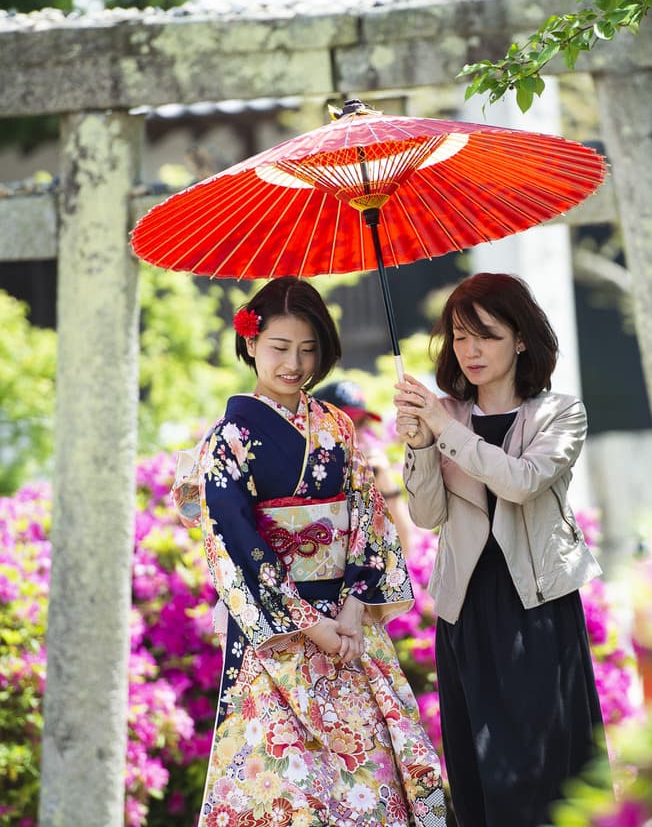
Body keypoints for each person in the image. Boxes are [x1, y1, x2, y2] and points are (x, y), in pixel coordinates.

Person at [188, 276, 446, 827]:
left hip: (348, 626)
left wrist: (353, 608)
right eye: (280, 348)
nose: (294, 363)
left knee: (371, 773)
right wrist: (312, 626)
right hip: (277, 633)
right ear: (251, 342)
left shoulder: (336, 426)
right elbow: (236, 543)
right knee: (284, 788)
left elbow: (366, 515)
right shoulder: (226, 439)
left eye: (308, 349)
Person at [392, 272, 604, 827]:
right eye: (460, 337)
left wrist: (445, 430)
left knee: (546, 765)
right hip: (467, 608)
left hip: (536, 608)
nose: (470, 350)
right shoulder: (446, 416)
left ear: (521, 339)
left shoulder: (560, 414)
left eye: (485, 334)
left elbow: (522, 481)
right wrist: (419, 445)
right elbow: (427, 515)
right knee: (478, 764)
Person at [315, 378, 417, 556]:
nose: (357, 433)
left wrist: (386, 487)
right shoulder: (306, 477)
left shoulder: (367, 477)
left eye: (361, 423)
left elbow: (406, 551)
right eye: (346, 423)